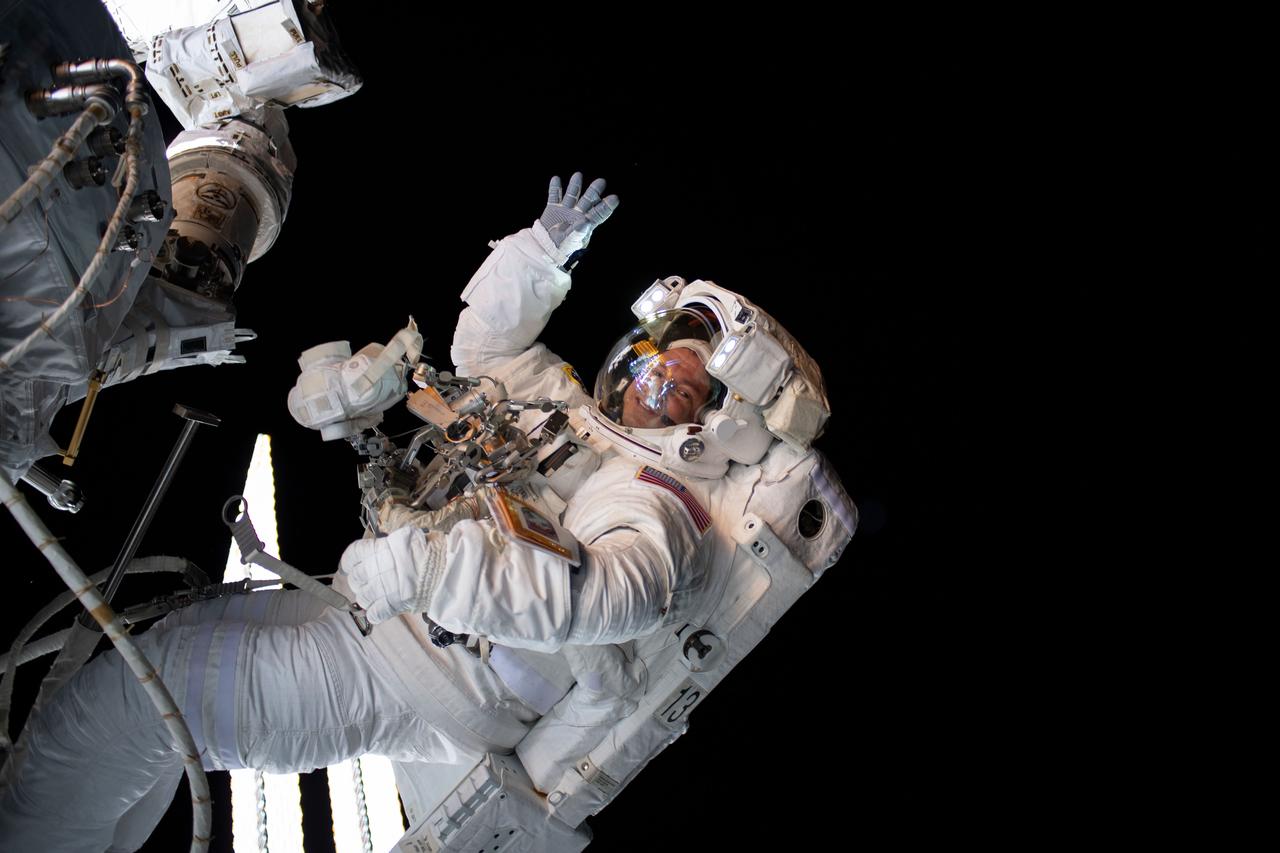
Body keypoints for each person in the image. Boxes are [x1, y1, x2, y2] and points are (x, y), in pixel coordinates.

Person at [0, 170, 758, 851]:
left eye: (684, 390)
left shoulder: (653, 496)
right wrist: (541, 250)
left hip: (423, 677)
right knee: (160, 661)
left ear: (708, 420)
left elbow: (608, 596)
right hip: (373, 609)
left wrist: (426, 566)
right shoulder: (567, 408)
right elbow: (486, 344)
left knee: (140, 701)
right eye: (661, 366)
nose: (658, 388)